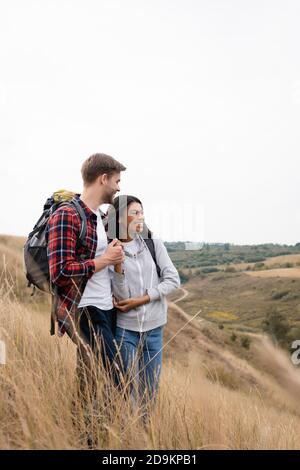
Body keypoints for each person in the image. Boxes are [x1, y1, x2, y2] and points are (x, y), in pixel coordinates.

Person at [46, 153, 126, 391]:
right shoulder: (66, 215)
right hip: (83, 309)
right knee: (117, 377)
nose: (118, 188)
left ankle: (85, 427)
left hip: (107, 308)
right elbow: (59, 272)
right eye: (117, 181)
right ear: (103, 179)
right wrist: (104, 260)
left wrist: (116, 259)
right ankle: (98, 427)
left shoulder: (100, 218)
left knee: (91, 380)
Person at [107, 195, 181, 419]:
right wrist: (118, 267)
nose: (141, 217)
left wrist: (145, 298)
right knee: (127, 390)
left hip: (154, 330)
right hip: (125, 331)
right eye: (135, 213)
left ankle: (145, 437)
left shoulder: (152, 243)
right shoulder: (110, 249)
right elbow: (122, 299)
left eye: (142, 212)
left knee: (149, 393)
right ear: (119, 219)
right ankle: (127, 436)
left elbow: (173, 280)